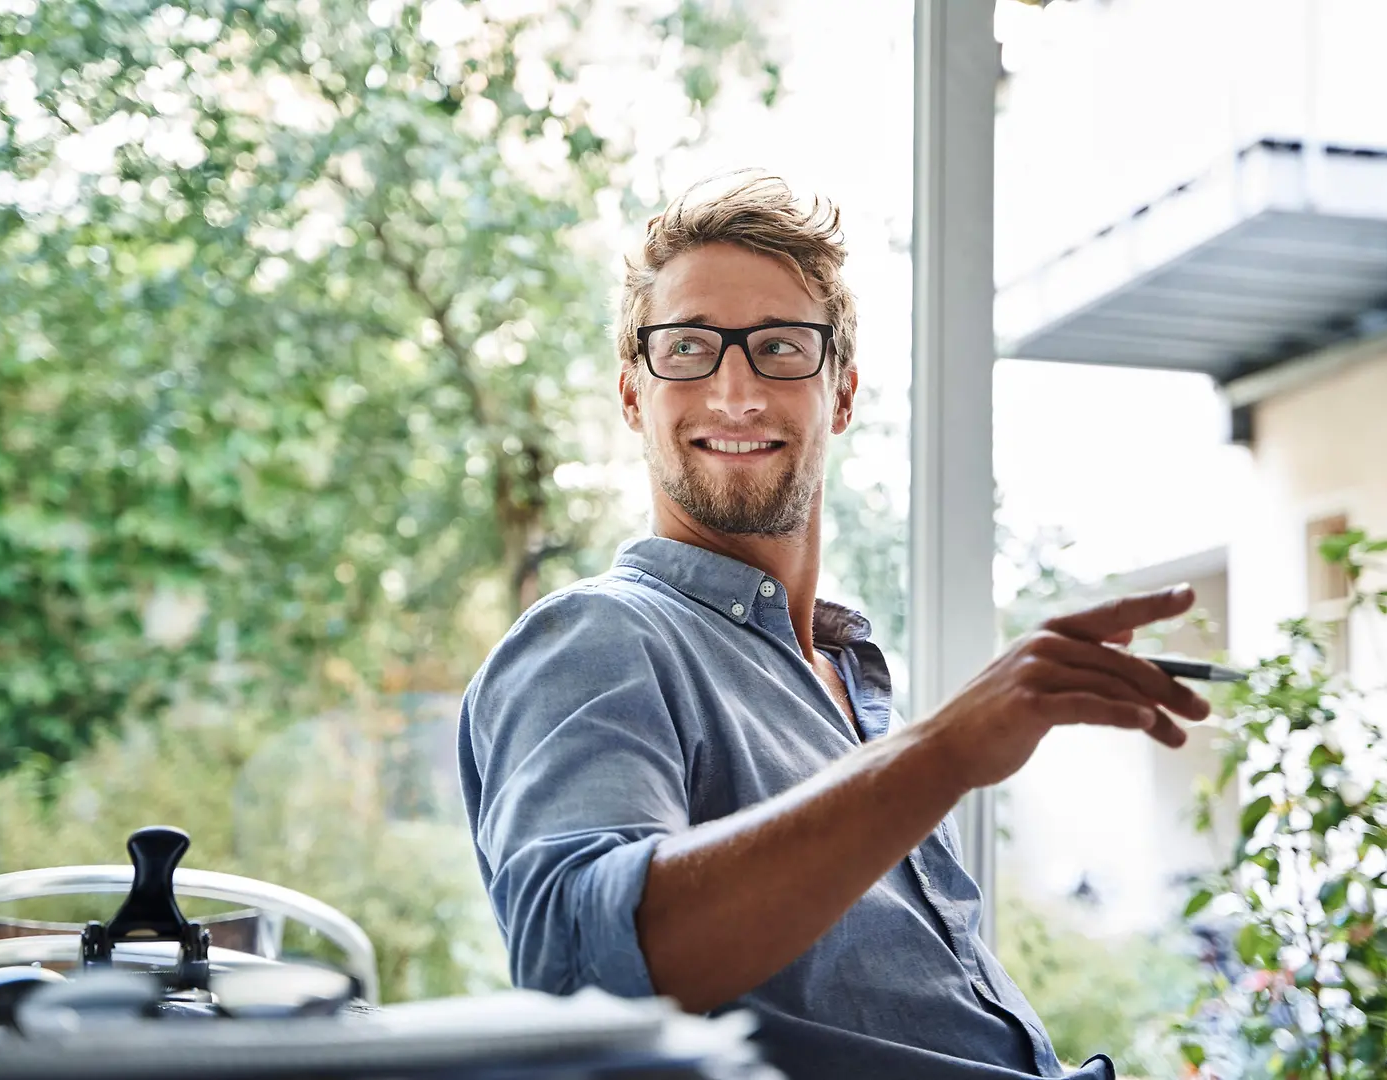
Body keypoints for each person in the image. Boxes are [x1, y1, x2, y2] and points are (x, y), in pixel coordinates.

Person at [458, 173, 1211, 1079]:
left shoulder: (848, 679)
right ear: (633, 396)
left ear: (842, 394)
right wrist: (942, 754)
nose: (734, 393)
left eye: (779, 348)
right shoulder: (599, 637)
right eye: (689, 348)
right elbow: (578, 970)